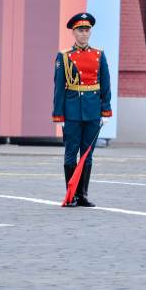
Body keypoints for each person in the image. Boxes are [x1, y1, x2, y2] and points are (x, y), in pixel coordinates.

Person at [52, 12, 112, 208]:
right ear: (74, 33)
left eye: (87, 30)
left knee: (87, 154)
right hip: (72, 111)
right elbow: (59, 87)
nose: (84, 34)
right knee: (71, 153)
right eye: (80, 30)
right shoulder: (64, 56)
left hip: (93, 111)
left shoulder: (99, 55)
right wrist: (58, 115)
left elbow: (105, 85)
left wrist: (106, 110)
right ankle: (71, 194)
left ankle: (83, 195)